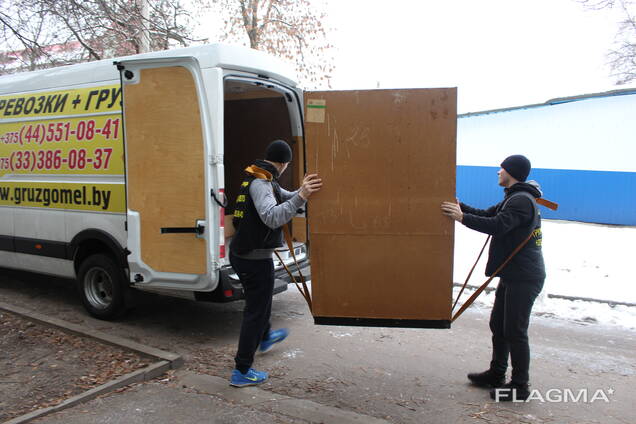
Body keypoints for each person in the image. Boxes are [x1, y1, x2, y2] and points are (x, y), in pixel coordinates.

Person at [441, 154, 545, 401]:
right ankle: (497, 374)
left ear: (512, 172)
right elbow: (488, 214)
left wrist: (462, 218)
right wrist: (461, 207)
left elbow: (498, 225)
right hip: (513, 274)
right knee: (498, 325)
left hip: (525, 277)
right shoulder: (514, 197)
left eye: (502, 169)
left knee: (515, 331)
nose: (498, 173)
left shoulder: (521, 200)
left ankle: (520, 385)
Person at [229, 139, 322, 387]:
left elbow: (287, 197)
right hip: (251, 259)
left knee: (261, 302)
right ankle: (242, 370)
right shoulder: (261, 183)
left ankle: (267, 336)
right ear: (283, 163)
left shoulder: (265, 178)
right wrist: (301, 196)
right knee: (255, 312)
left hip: (253, 256)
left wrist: (303, 191)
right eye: (287, 165)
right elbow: (272, 217)